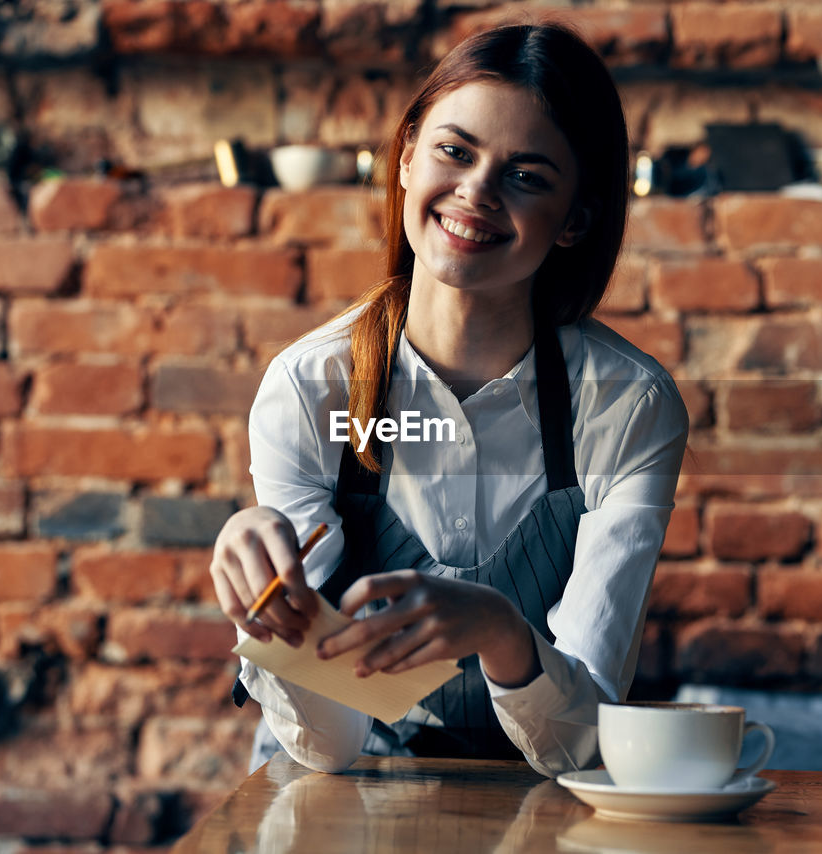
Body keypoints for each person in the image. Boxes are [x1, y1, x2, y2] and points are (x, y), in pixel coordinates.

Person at [210, 22, 689, 778]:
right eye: (454, 152)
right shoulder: (311, 389)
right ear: (405, 159)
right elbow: (328, 747)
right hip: (341, 788)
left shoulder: (627, 407)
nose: (476, 192)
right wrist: (270, 612)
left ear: (576, 220)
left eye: (526, 175)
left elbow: (582, 736)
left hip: (539, 796)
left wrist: (501, 632)